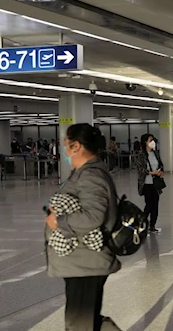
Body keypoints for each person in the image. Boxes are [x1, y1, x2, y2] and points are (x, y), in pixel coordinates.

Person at [44, 123, 121, 331]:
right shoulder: (86, 172)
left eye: (66, 145)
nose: (65, 150)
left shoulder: (90, 175)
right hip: (82, 261)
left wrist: (58, 221)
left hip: (86, 261)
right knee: (88, 321)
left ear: (76, 146)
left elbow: (93, 216)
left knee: (78, 324)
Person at [135, 134, 164, 233]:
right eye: (151, 140)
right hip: (146, 184)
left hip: (155, 183)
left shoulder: (156, 153)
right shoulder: (140, 155)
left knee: (155, 205)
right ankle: (141, 224)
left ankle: (152, 226)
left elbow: (160, 164)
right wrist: (152, 172)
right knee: (149, 205)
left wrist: (160, 171)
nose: (153, 142)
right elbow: (140, 170)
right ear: (145, 142)